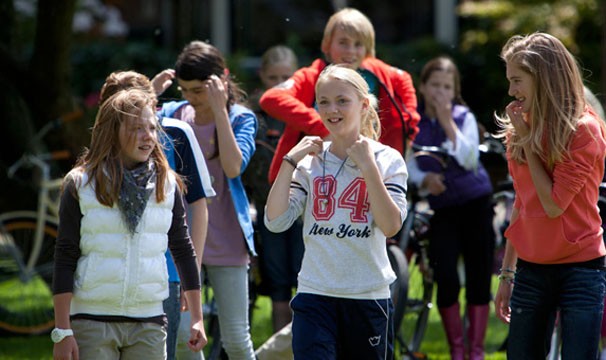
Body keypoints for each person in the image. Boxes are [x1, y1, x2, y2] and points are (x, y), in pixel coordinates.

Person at [265, 64, 408, 359]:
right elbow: (276, 221)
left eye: (342, 100)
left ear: (364, 104)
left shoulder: (388, 160)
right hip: (315, 296)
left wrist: (368, 167)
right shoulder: (309, 163)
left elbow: (391, 225)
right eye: (324, 102)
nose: (332, 109)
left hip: (368, 298)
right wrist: (289, 162)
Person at [52, 88, 207, 359]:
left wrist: (197, 317)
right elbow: (65, 254)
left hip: (149, 321)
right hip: (92, 321)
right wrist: (62, 330)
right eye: (137, 128)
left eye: (151, 127)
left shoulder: (167, 184)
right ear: (112, 131)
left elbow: (183, 248)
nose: (148, 136)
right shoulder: (80, 184)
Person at [494, 32, 606, 359]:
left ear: (544, 78)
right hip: (531, 269)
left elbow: (553, 204)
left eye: (517, 81)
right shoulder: (519, 129)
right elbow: (523, 203)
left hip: (581, 270)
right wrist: (507, 273)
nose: (512, 91)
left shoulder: (584, 130)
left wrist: (529, 142)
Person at [98, 70, 215, 360]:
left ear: (154, 105)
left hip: (166, 276)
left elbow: (198, 205)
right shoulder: (103, 147)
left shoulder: (176, 133)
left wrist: (192, 277)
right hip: (108, 277)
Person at [156, 40, 257, 360]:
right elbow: (130, 129)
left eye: (198, 90)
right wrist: (151, 93)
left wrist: (219, 110)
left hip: (227, 239)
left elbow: (233, 167)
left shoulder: (241, 118)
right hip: (181, 243)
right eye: (184, 89)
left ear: (221, 81)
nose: (190, 97)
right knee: (185, 337)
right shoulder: (172, 114)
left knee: (237, 340)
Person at [259, 7, 420, 187]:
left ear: (368, 47)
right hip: (311, 179)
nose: (350, 51)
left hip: (373, 177)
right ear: (327, 44)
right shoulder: (311, 75)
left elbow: (410, 123)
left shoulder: (394, 78)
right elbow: (272, 98)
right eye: (343, 42)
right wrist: (325, 127)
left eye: (358, 44)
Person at [406, 56, 495, 360]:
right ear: (423, 86)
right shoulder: (415, 123)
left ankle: (477, 350)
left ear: (455, 90)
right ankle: (457, 349)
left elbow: (470, 159)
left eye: (447, 86)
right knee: (446, 275)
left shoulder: (463, 116)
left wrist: (447, 123)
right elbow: (409, 166)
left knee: (479, 274)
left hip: (476, 204)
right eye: (435, 85)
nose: (440, 92)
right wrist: (424, 179)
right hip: (443, 210)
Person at [243, 44, 303, 333]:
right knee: (278, 285)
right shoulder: (252, 116)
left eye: (287, 78)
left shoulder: (306, 114)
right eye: (273, 78)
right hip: (268, 212)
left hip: (306, 213)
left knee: (306, 282)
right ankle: (281, 345)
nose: (280, 85)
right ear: (262, 76)